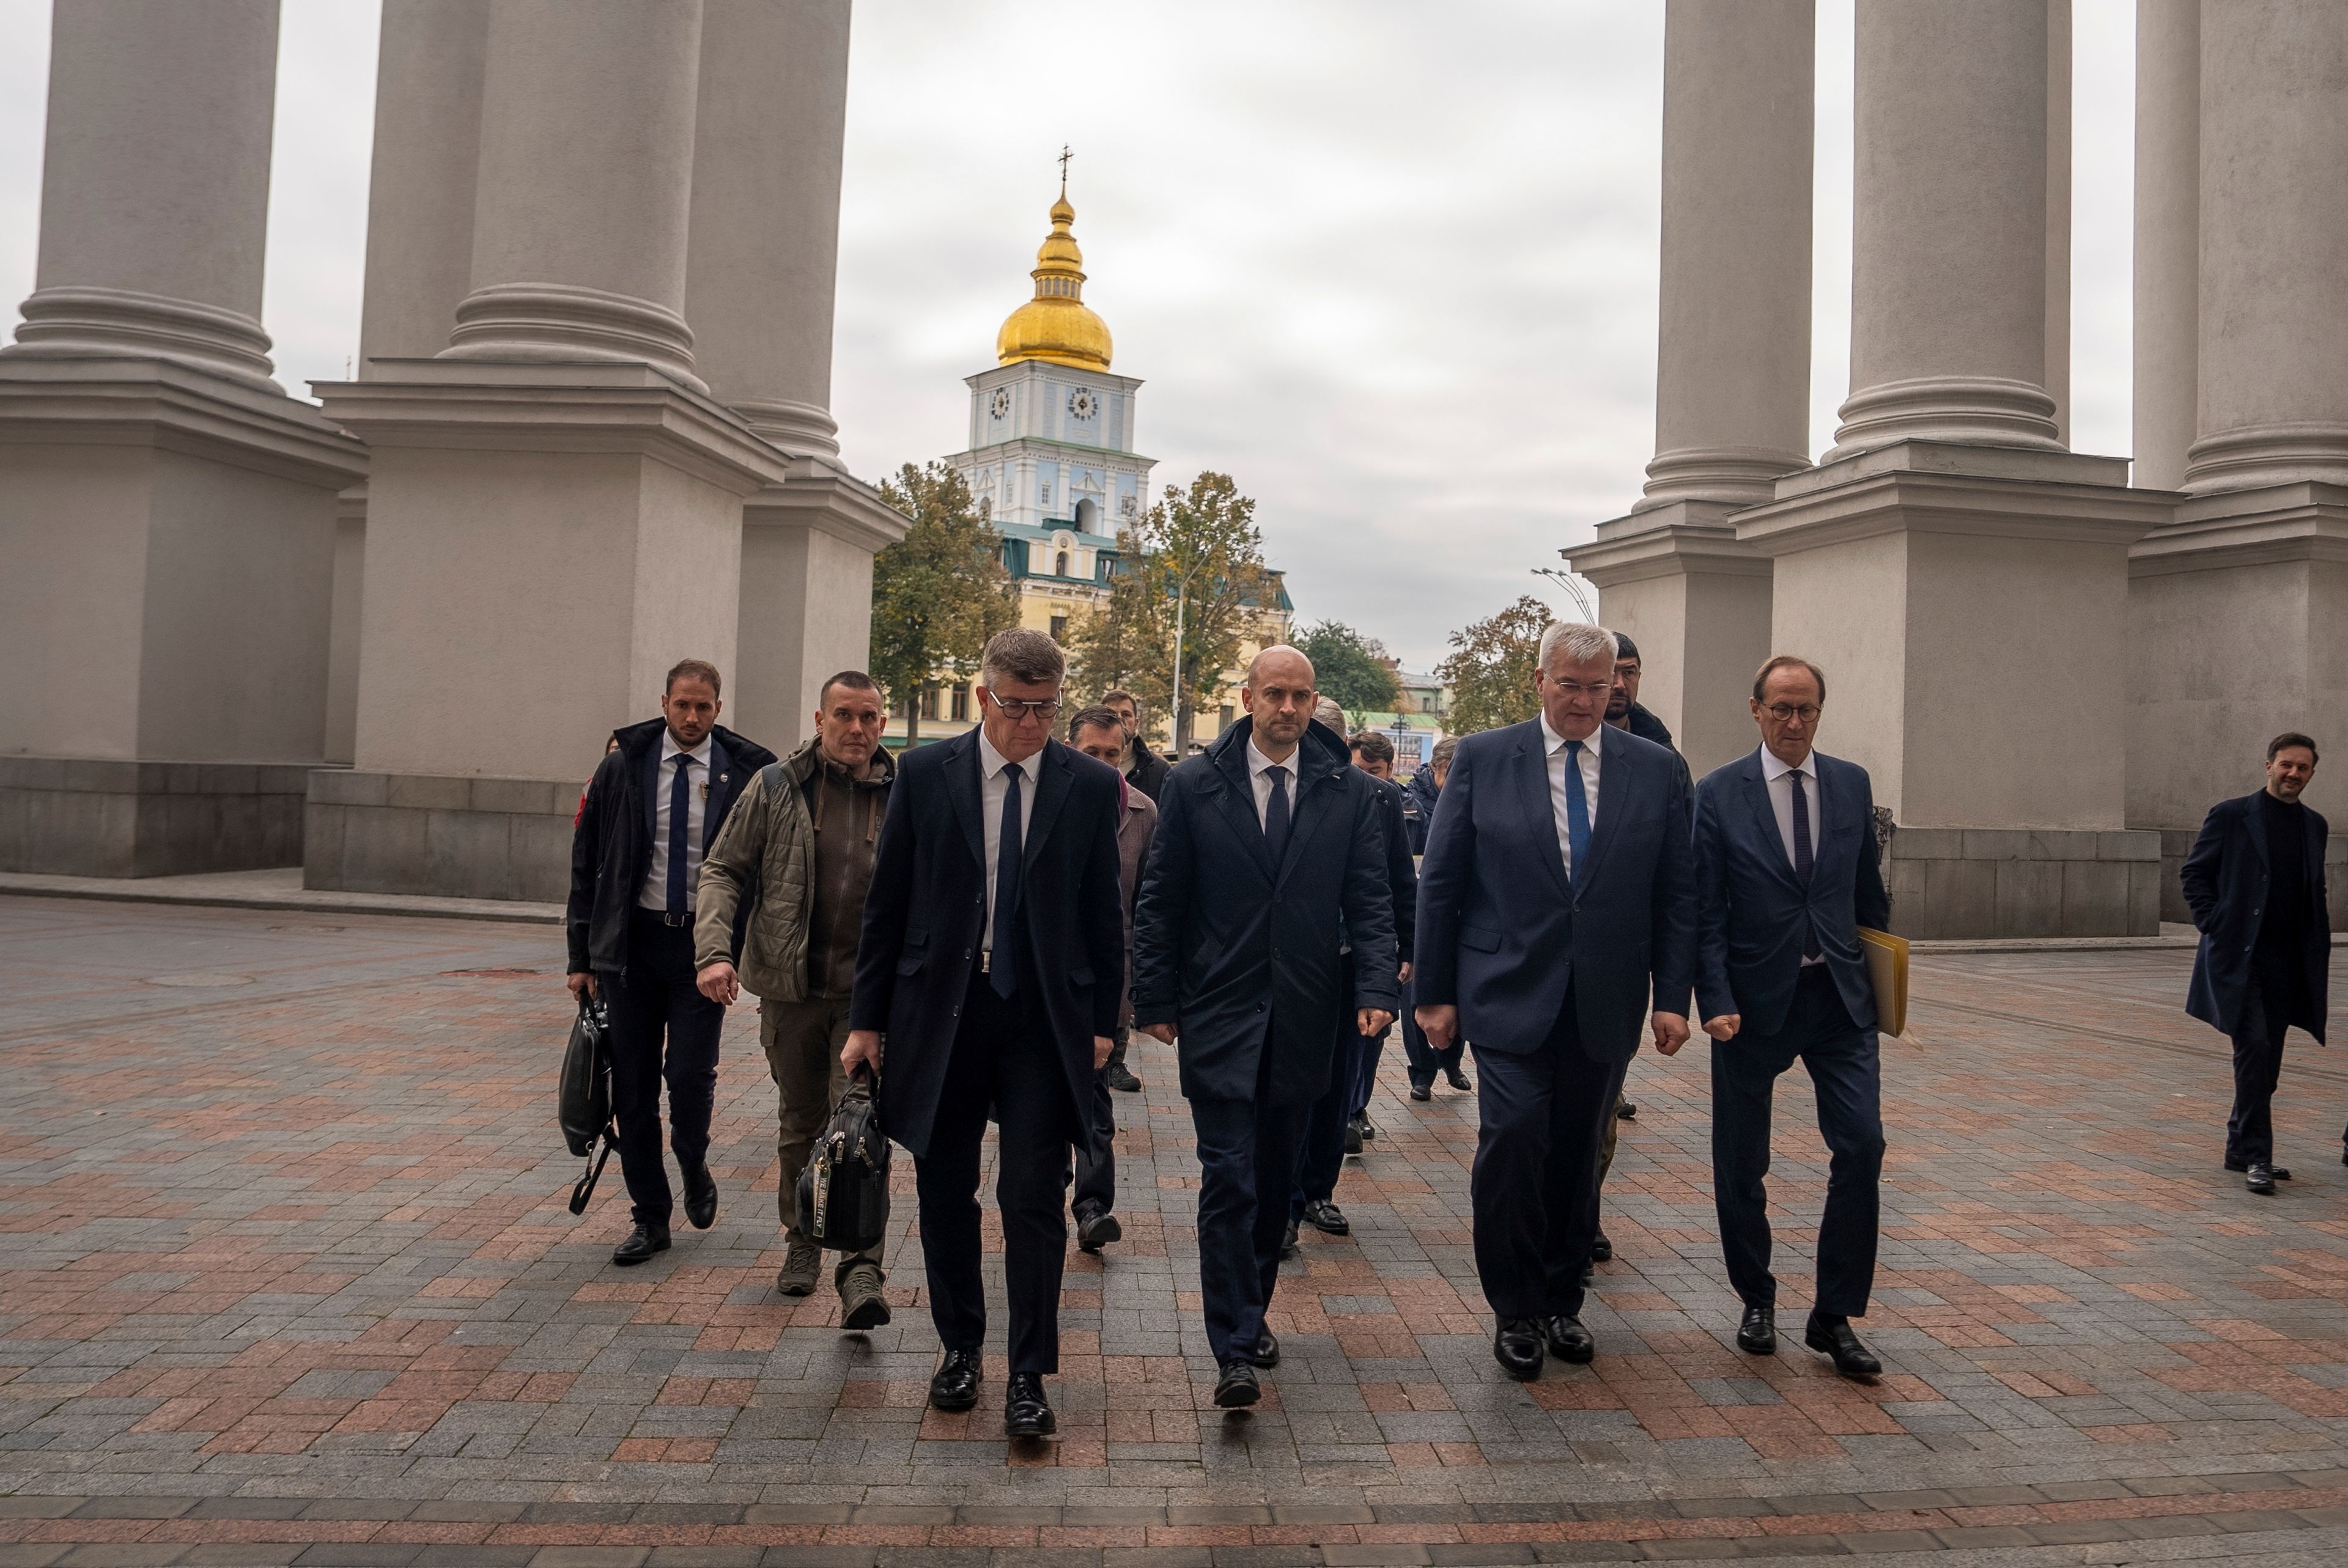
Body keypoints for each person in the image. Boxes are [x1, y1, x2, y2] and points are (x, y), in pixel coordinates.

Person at [844, 629, 1125, 1441]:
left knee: (1033, 1197)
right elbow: (887, 902)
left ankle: (1030, 1373)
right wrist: (866, 1020)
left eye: (1045, 709)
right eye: (1017, 707)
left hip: (1042, 1020)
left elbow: (1104, 915)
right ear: (983, 699)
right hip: (943, 1014)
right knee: (944, 1190)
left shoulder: (1087, 785)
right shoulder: (928, 775)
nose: (1032, 724)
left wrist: (1107, 1023)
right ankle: (960, 1347)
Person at [1414, 622, 1694, 1380]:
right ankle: (1515, 1308)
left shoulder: (1656, 769)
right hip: (1506, 991)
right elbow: (1442, 884)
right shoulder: (1482, 758)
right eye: (1569, 684)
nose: (1583, 700)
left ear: (1618, 689)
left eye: (1598, 687)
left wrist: (1674, 997)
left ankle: (1564, 1299)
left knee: (1578, 1152)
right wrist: (1434, 993)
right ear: (1539, 682)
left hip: (1603, 998)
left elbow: (1676, 895)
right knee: (1512, 1137)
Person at [1132, 647, 1398, 1409]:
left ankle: (1250, 1309)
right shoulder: (1193, 785)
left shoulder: (1346, 793)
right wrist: (1153, 1000)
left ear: (1315, 705)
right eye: (1275, 694)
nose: (1288, 708)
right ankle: (1234, 1345)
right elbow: (1161, 900)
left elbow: (1370, 898)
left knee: (1276, 1182)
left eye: (1302, 696)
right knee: (1229, 1178)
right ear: (1247, 697)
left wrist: (1377, 985)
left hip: (1307, 1016)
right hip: (1219, 1012)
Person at [1693, 655, 1890, 1380]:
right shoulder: (1718, 794)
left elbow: (1868, 894)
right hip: (1751, 1005)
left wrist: (1880, 981)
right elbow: (1704, 911)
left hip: (1839, 1000)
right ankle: (1757, 1296)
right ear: (1755, 710)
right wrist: (1712, 999)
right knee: (1742, 1161)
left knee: (1863, 1146)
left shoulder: (1850, 784)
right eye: (1781, 709)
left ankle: (1835, 1315)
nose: (1794, 723)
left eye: (1806, 709)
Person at [692, 671, 895, 1325]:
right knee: (801, 1125)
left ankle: (861, 1270)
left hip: (868, 1000)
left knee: (862, 1131)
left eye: (868, 717)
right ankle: (802, 1241)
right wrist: (714, 951)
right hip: (791, 991)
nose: (856, 729)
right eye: (844, 715)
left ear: (883, 724)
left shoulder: (905, 793)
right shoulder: (777, 787)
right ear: (820, 719)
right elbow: (724, 868)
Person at [566, 660, 777, 1266]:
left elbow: (765, 866)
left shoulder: (745, 772)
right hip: (630, 952)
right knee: (632, 1092)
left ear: (718, 707)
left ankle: (692, 1157)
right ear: (665, 703)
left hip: (702, 953)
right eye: (682, 705)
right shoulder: (623, 767)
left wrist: (745, 946)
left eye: (703, 707)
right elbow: (588, 864)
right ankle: (649, 1218)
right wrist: (581, 956)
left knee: (688, 1075)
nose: (691, 717)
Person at [1283, 723, 1416, 1257]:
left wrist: (1399, 956)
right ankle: (1284, 1201)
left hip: (1347, 962)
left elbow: (1394, 881)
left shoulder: (1377, 798)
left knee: (1336, 1083)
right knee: (1288, 1084)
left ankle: (1318, 1190)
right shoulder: (1283, 789)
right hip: (1288, 962)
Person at [2181, 733, 2331, 1194]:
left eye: (2302, 768)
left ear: (2311, 773)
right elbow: (2194, 873)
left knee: (2268, 1064)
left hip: (2289, 964)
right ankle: (2258, 1157)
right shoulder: (2232, 815)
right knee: (2255, 1050)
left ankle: (2237, 1146)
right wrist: (2214, 921)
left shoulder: (2314, 825)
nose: (2293, 774)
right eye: (2286, 765)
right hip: (2241, 962)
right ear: (2268, 765)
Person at [1065, 704, 1160, 1253]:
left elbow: (1148, 906)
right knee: (1046, 1090)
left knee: (1096, 1093)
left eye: (1111, 753)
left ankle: (1093, 1205)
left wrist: (1142, 990)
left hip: (1109, 979)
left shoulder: (1143, 812)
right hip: (1046, 978)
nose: (1102, 763)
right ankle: (1045, 1180)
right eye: (1090, 752)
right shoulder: (1045, 800)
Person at [1400, 736, 1469, 1101]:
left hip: (1456, 915)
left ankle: (1452, 1062)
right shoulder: (1410, 804)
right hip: (1416, 916)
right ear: (1441, 770)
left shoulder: (1468, 798)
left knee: (1457, 992)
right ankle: (1422, 1072)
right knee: (1417, 996)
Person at [1100, 687, 1170, 805]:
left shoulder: (1159, 770)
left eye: (1126, 714)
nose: (1120, 719)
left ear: (1136, 723)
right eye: (1112, 715)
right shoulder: (1089, 763)